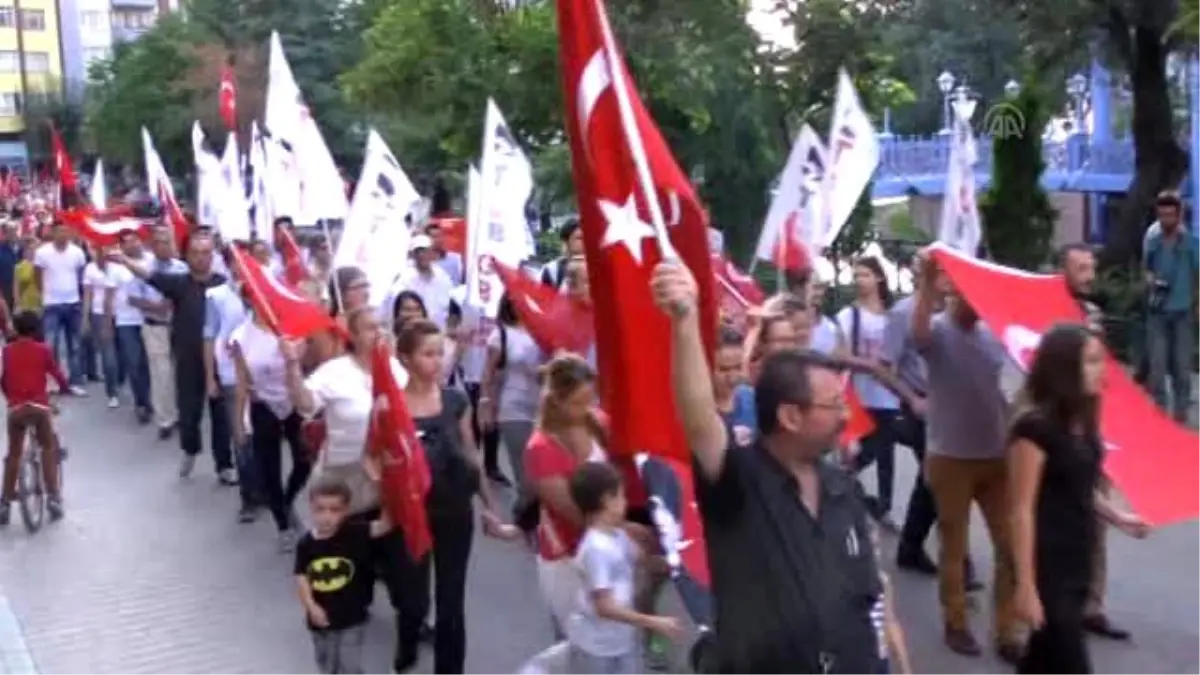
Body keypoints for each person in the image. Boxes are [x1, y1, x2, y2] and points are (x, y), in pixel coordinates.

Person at [653, 259, 884, 673]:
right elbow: (699, 419)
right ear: (791, 417)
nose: (847, 417)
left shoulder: (843, 488)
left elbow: (867, 599)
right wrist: (685, 322)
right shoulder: (738, 480)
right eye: (833, 406)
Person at [1009, 324, 1150, 675]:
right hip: (1048, 565)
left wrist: (1118, 517)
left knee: (1041, 660)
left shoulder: (1082, 423)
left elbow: (1080, 487)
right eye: (1090, 361)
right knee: (1069, 659)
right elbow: (1021, 510)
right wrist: (1026, 585)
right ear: (1064, 369)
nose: (1101, 370)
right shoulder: (1034, 428)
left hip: (1078, 558)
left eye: (1100, 361)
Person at [284, 306, 414, 672]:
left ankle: (409, 615)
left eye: (382, 326)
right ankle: (349, 622)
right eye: (370, 327)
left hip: (387, 477)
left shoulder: (397, 369)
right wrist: (293, 366)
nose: (378, 333)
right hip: (346, 481)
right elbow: (306, 405)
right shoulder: (335, 372)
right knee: (351, 552)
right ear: (352, 335)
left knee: (395, 553)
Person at [911, 254, 1021, 661]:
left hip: (996, 458)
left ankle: (1007, 630)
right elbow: (918, 332)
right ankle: (955, 623)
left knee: (1010, 547)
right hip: (950, 458)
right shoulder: (937, 332)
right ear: (956, 290)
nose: (978, 300)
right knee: (954, 548)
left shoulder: (997, 336)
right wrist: (925, 281)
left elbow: (1012, 389)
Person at [391, 319, 516, 674]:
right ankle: (408, 637)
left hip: (454, 512)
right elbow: (380, 462)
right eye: (427, 354)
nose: (437, 361)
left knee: (451, 600)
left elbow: (472, 456)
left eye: (439, 353)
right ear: (405, 359)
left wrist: (491, 507)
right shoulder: (392, 406)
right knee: (414, 598)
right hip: (412, 516)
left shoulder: (456, 401)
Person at [113, 232, 235, 483]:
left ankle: (224, 465)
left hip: (218, 360)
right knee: (189, 412)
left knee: (221, 415)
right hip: (187, 358)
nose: (201, 258)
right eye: (196, 253)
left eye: (206, 253)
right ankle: (190, 451)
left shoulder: (223, 284)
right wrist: (125, 261)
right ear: (187, 256)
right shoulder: (179, 283)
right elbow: (148, 275)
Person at [1056, 243, 1131, 639]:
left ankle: (1091, 606)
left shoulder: (1094, 316)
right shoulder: (1045, 312)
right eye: (1080, 268)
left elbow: (1106, 378)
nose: (1088, 275)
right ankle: (1038, 610)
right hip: (1054, 434)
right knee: (1052, 523)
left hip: (1092, 430)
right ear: (1062, 272)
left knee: (1095, 523)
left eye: (1091, 267)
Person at [566, 461, 682, 674]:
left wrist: (678, 562)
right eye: (620, 496)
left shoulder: (618, 535)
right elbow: (605, 607)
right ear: (606, 501)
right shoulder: (595, 549)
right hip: (597, 648)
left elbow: (644, 561)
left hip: (621, 639)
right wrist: (652, 622)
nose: (625, 501)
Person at [232, 304, 311, 549]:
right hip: (263, 406)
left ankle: (287, 501)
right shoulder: (241, 337)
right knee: (270, 469)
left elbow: (306, 365)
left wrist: (298, 352)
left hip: (292, 403)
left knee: (304, 460)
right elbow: (242, 382)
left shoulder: (289, 328)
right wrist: (238, 423)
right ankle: (282, 525)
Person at [294, 478, 392, 675]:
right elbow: (302, 577)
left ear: (345, 511)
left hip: (352, 618)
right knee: (327, 664)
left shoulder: (354, 532)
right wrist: (311, 607)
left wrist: (386, 488)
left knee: (349, 665)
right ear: (311, 508)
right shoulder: (306, 545)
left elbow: (385, 525)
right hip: (321, 622)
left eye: (334, 510)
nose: (326, 517)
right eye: (320, 509)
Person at [836, 257, 900, 527]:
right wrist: (870, 366)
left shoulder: (893, 315)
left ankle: (884, 506)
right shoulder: (848, 316)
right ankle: (840, 485)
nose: (859, 280)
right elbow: (840, 356)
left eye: (864, 274)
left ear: (879, 279)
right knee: (863, 451)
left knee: (887, 452)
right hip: (860, 396)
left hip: (890, 396)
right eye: (856, 275)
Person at [0, 310, 69, 524]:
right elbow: (56, 374)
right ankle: (53, 497)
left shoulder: (7, 352)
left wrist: (9, 397)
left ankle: (4, 503)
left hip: (16, 409)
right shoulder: (43, 350)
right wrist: (65, 388)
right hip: (39, 407)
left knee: (14, 454)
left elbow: (2, 379)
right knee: (47, 447)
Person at [203, 275, 258, 523]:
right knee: (241, 435)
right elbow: (209, 337)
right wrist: (210, 377)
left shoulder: (263, 291)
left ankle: (266, 491)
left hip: (262, 376)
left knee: (262, 437)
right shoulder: (217, 297)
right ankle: (248, 498)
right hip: (231, 377)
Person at [1141, 191, 1200, 422]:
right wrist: (1150, 280)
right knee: (1158, 369)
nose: (1165, 220)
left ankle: (1180, 418)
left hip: (1182, 311)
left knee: (1182, 368)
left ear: (1179, 215)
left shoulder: (1191, 243)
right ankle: (1159, 419)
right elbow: (1145, 268)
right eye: (1162, 215)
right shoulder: (1152, 238)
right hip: (1157, 311)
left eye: (1170, 215)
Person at [480, 293, 544, 494]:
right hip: (513, 407)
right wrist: (486, 405)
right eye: (515, 303)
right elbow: (488, 374)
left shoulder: (541, 331)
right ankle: (524, 515)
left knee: (542, 469)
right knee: (523, 470)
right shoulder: (500, 335)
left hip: (544, 408)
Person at [128, 227, 188, 439]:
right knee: (161, 373)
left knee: (179, 372)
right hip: (154, 326)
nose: (164, 246)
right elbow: (132, 298)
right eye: (159, 242)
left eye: (167, 241)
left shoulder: (181, 268)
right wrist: (155, 307)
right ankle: (165, 419)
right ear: (152, 246)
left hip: (179, 327)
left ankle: (181, 413)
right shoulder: (143, 269)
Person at [33, 222, 87, 395]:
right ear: (53, 233)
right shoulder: (42, 253)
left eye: (66, 231)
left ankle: (75, 381)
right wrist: (45, 296)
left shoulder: (77, 252)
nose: (63, 235)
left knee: (75, 345)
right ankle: (54, 381)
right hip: (52, 304)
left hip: (73, 303)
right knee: (50, 344)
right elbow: (37, 277)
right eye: (60, 231)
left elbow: (81, 277)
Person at [113, 232, 151, 423]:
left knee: (149, 363)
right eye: (127, 242)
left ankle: (152, 399)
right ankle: (141, 403)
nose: (133, 244)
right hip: (126, 321)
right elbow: (110, 294)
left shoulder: (151, 260)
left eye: (135, 240)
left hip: (150, 319)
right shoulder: (116, 266)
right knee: (134, 363)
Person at [387, 234, 454, 330]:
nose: (422, 255)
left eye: (426, 251)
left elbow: (450, 308)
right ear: (413, 255)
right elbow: (394, 311)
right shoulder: (404, 279)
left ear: (432, 253)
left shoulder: (443, 278)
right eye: (418, 251)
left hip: (438, 334)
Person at [82, 250, 120, 408]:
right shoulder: (90, 268)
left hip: (123, 314)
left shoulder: (119, 266)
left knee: (124, 354)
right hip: (99, 314)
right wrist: (85, 318)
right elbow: (87, 295)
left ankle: (121, 379)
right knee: (108, 354)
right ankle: (112, 392)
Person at [541, 220, 584, 290]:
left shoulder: (599, 267)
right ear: (566, 241)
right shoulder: (553, 270)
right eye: (580, 238)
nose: (585, 242)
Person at [12, 234, 39, 315]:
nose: (32, 251)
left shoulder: (41, 266)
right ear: (25, 251)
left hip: (39, 306)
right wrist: (17, 304)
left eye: (34, 248)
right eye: (29, 249)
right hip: (24, 306)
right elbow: (15, 288)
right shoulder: (19, 267)